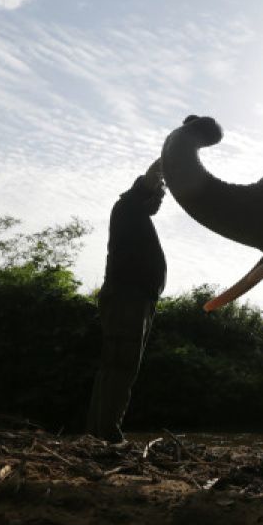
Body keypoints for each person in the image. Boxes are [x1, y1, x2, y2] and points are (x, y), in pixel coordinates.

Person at [86, 163, 167, 442]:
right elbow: (151, 175)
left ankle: (99, 432)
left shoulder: (136, 214)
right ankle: (107, 434)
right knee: (120, 366)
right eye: (157, 194)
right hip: (127, 299)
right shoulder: (129, 206)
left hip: (133, 299)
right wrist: (169, 160)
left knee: (117, 366)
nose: (159, 200)